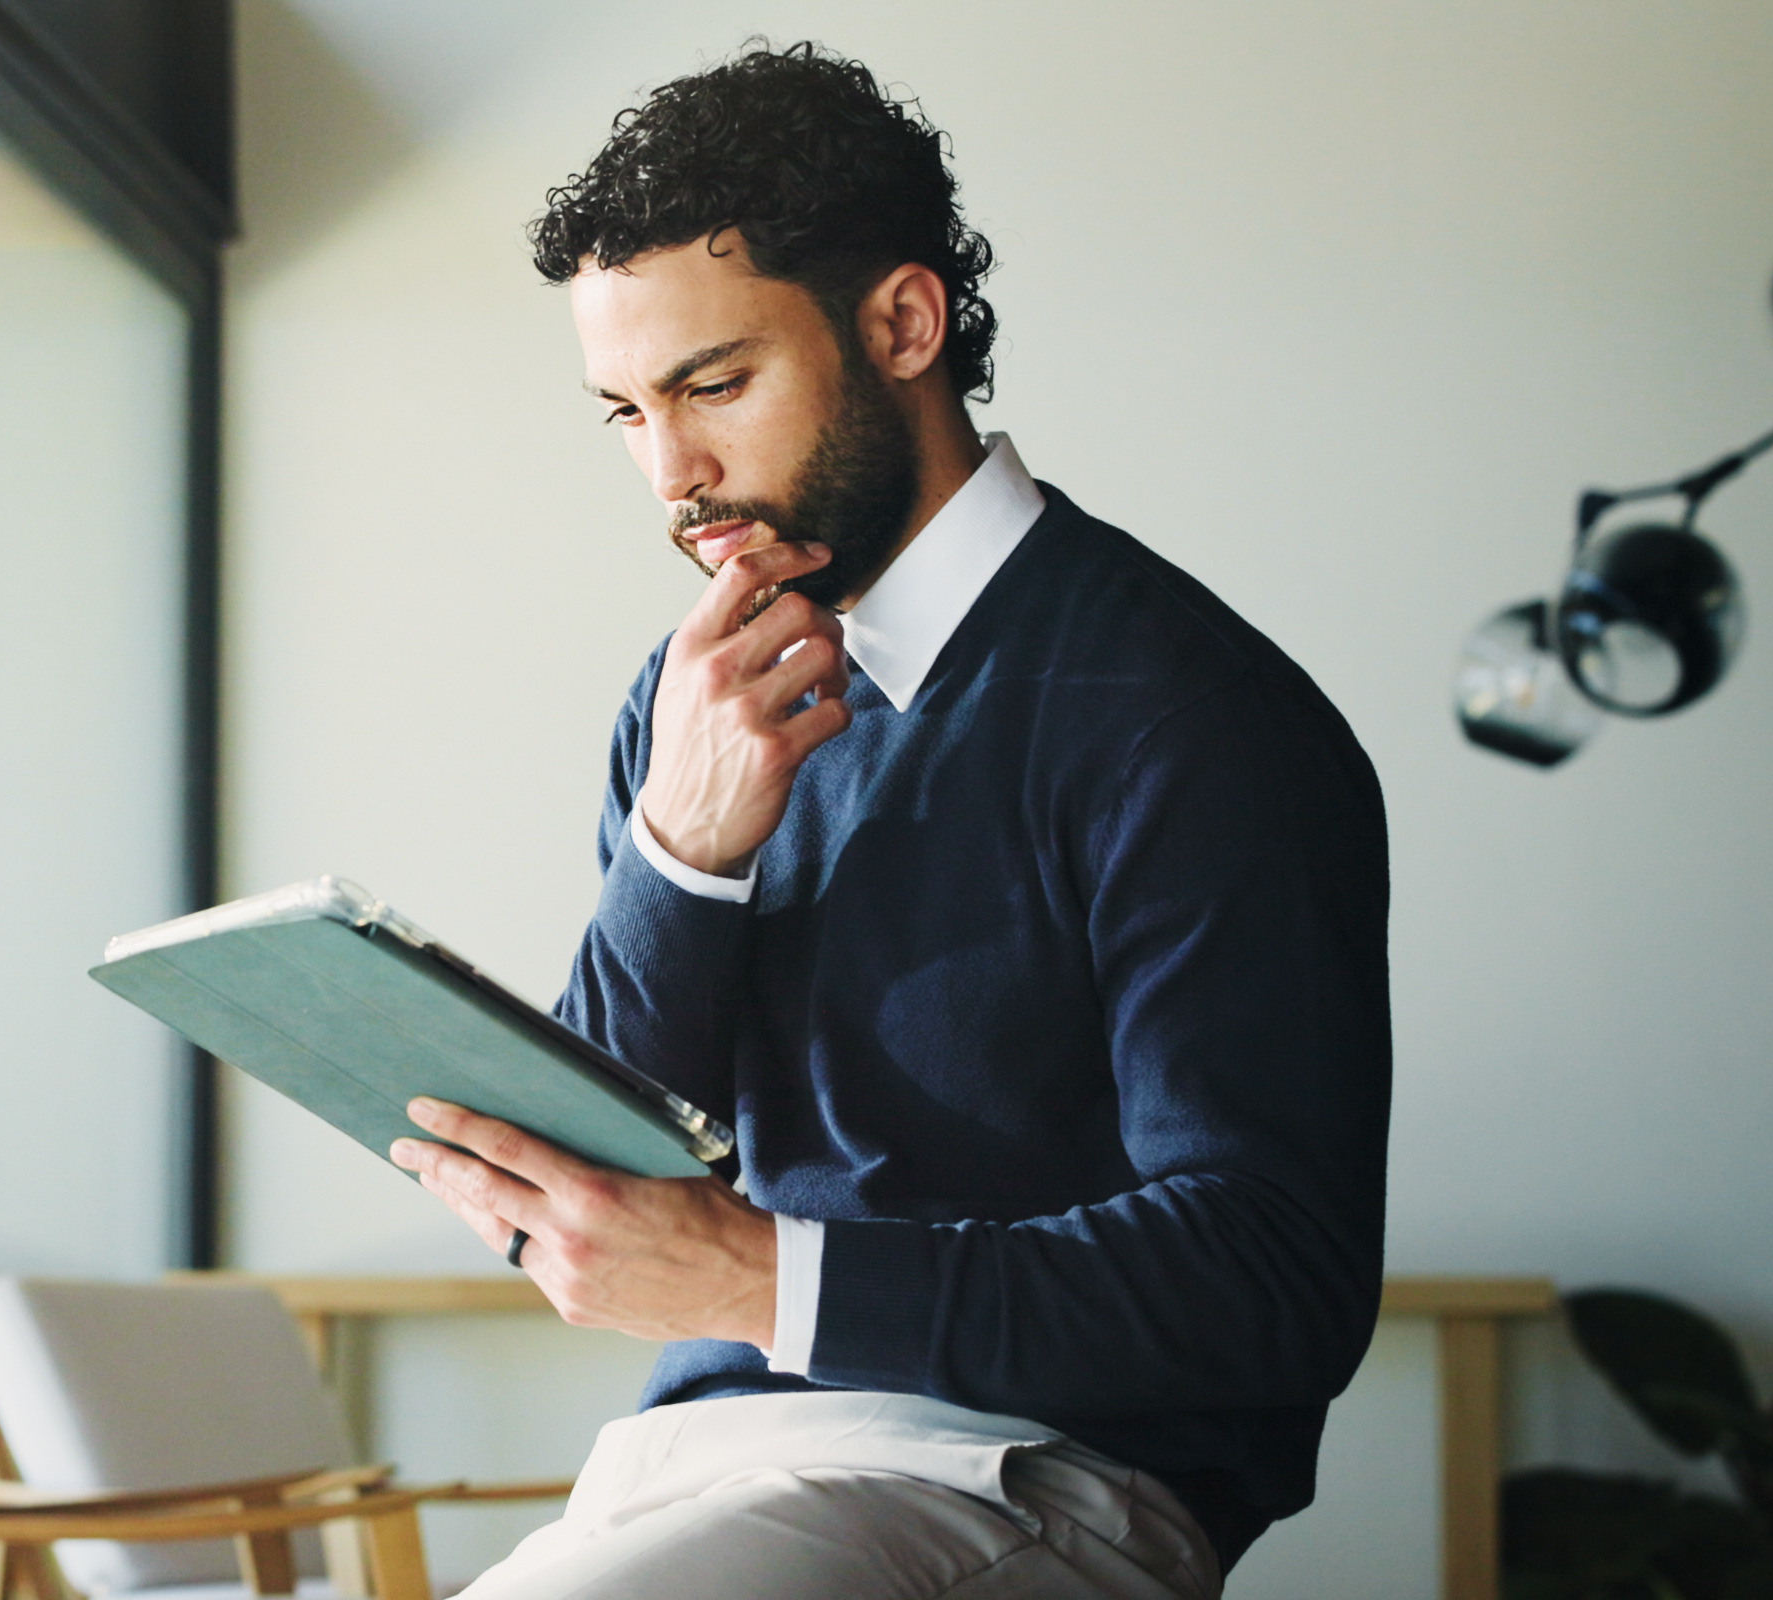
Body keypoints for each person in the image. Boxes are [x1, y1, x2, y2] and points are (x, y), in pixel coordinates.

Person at [387, 41, 1391, 1600]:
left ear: (903, 324)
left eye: (715, 385)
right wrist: (680, 854)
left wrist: (754, 1273)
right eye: (625, 412)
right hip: (695, 1466)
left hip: (1031, 1477)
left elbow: (1273, 1280)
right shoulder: (686, 703)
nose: (675, 472)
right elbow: (613, 1149)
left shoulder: (1184, 711)